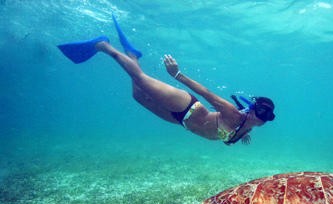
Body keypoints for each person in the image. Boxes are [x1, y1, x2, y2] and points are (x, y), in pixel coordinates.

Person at [57, 14, 275, 145]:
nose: (262, 118)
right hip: (189, 108)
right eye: (260, 112)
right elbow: (206, 93)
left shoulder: (250, 126)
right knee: (140, 79)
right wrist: (177, 74)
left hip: (180, 121)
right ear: (252, 109)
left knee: (138, 95)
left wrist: (244, 134)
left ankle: (132, 54)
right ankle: (103, 46)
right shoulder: (232, 112)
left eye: (267, 116)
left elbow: (244, 128)